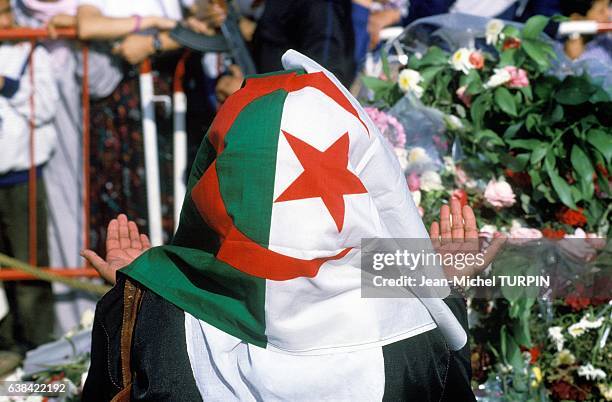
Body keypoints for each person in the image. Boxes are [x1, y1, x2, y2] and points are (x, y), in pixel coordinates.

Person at [80, 50, 505, 401]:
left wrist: (135, 294)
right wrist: (439, 290)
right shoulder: (412, 331)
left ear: (216, 183)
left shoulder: (153, 317)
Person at [0, 0, 58, 375]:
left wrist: (6, 85)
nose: (2, 21)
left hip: (20, 176)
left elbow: (44, 108)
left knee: (27, 263)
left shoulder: (30, 50)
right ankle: (6, 345)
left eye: (5, 13)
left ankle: (38, 348)